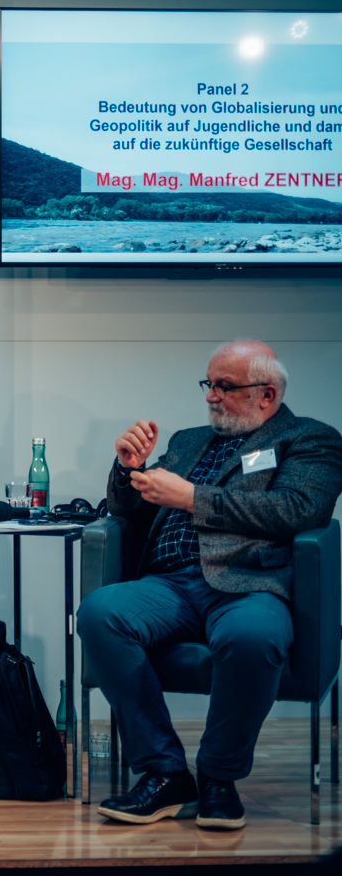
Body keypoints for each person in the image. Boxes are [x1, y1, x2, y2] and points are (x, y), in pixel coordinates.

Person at [80, 340, 342, 830]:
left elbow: (297, 510)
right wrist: (126, 470)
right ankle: (164, 774)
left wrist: (193, 498)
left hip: (250, 583)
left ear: (266, 395)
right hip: (171, 583)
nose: (211, 397)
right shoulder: (187, 439)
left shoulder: (309, 440)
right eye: (209, 384)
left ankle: (219, 777)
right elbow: (128, 512)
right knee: (99, 611)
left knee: (253, 637)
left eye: (225, 387)